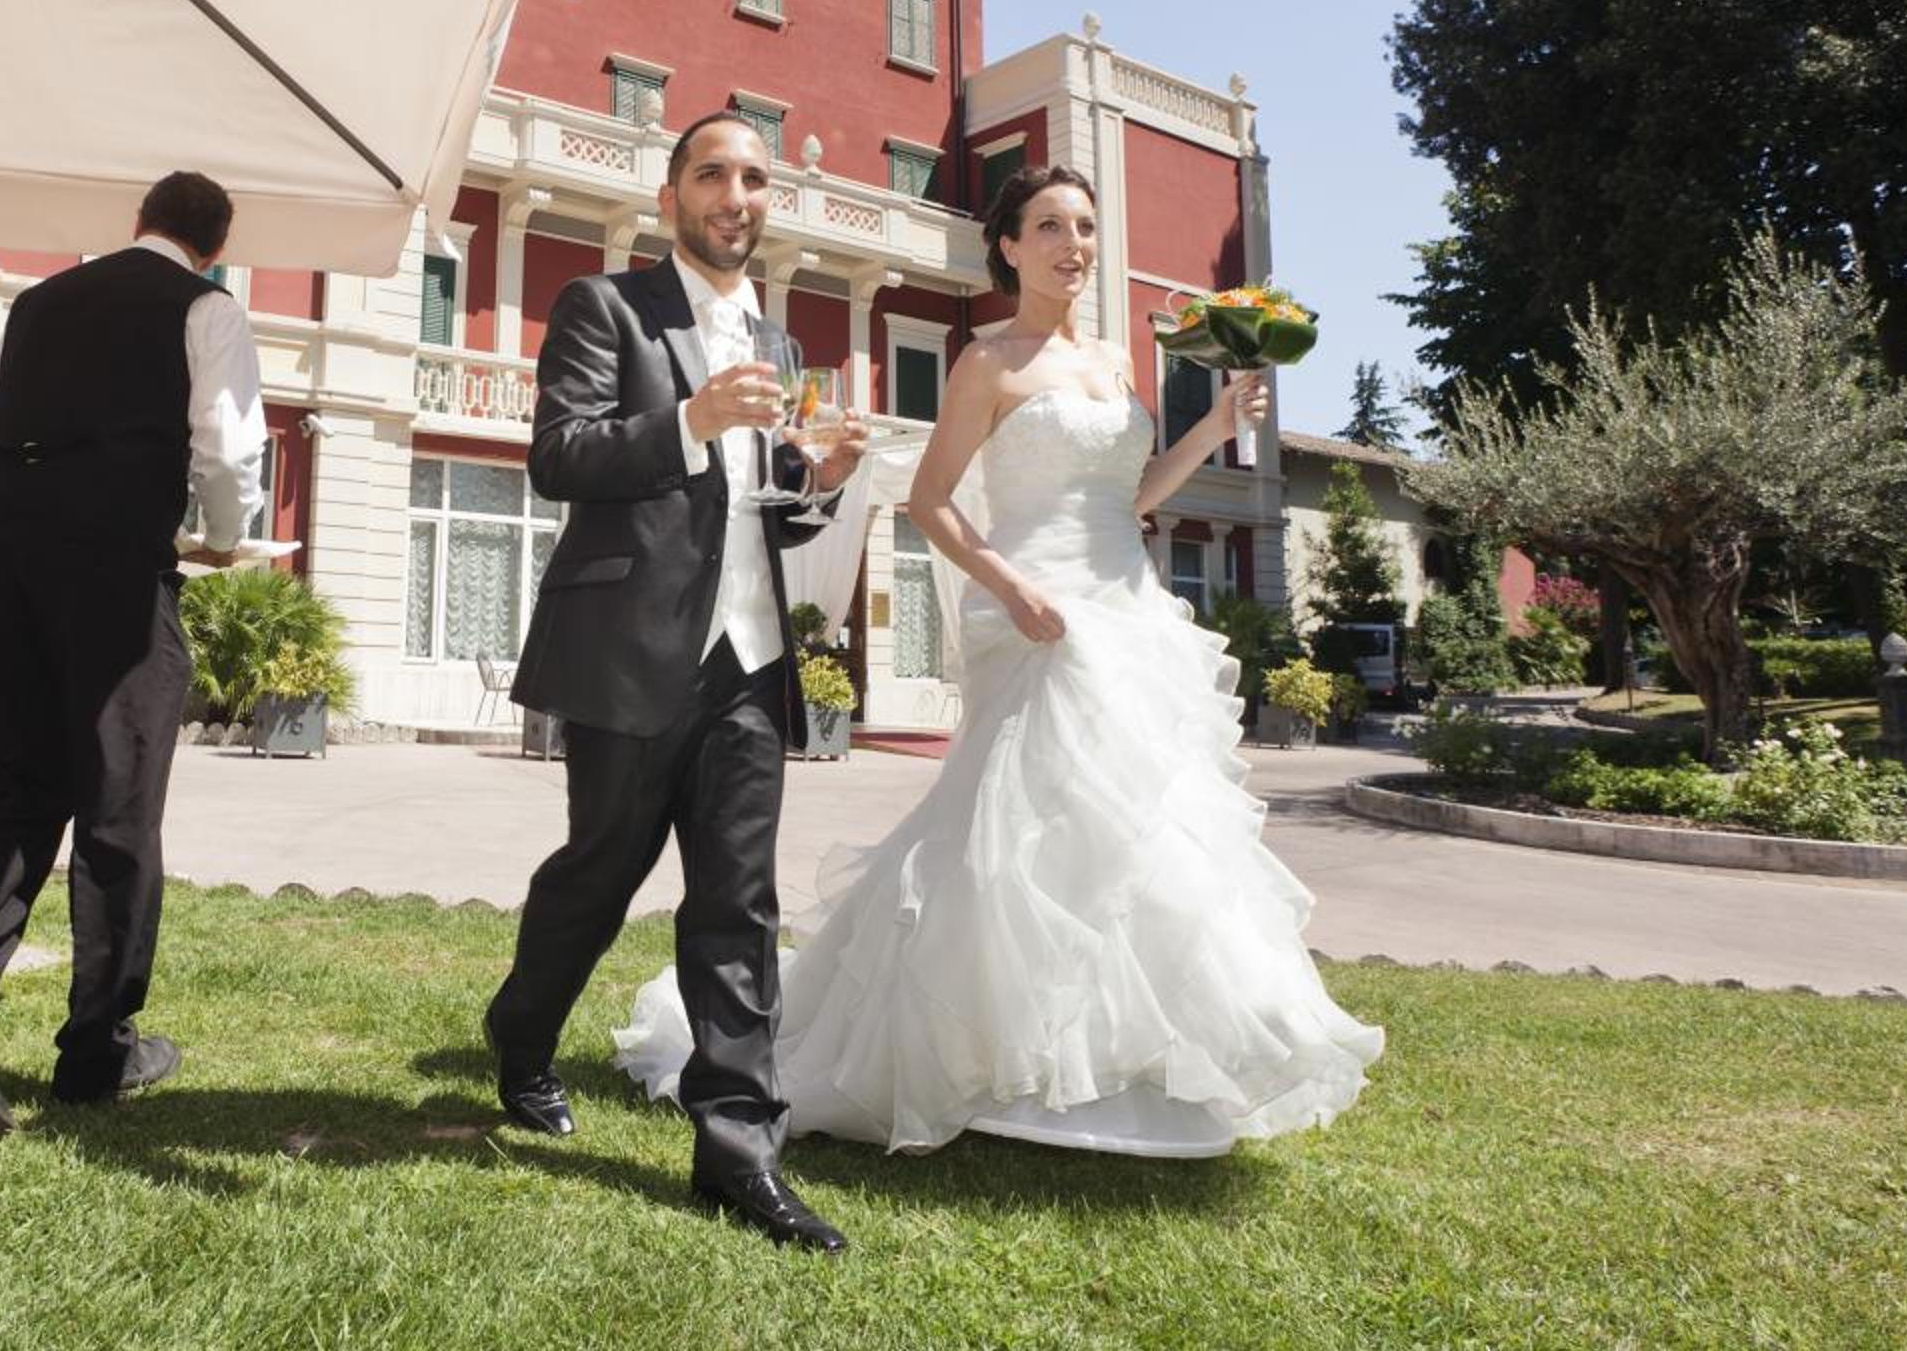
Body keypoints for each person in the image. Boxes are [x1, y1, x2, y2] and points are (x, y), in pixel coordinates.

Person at [614, 164, 1382, 1157]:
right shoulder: (987, 361)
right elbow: (931, 499)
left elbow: (1131, 497)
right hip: (1035, 611)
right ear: (1010, 247)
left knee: (1137, 830)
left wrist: (1215, 426)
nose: (1074, 244)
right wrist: (1011, 586)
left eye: (1086, 226)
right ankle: (984, 1054)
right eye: (1050, 226)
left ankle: (1109, 1062)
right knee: (1022, 832)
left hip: (1127, 606)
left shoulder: (1112, 362)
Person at [485, 112, 869, 1253]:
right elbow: (559, 454)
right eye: (713, 174)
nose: (735, 195)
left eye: (754, 178)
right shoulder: (606, 307)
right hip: (628, 646)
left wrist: (821, 481)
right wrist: (691, 419)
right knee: (599, 874)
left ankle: (740, 1151)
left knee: (738, 905)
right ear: (671, 198)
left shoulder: (782, 343)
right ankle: (522, 1035)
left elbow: (768, 511)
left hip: (750, 662)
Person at [0, 171, 265, 1137]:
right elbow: (226, 451)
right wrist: (219, 538)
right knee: (118, 805)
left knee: (20, 790)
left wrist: (40, 505)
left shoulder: (38, 303)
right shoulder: (208, 308)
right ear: (215, 247)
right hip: (109, 568)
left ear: (139, 223)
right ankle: (97, 1053)